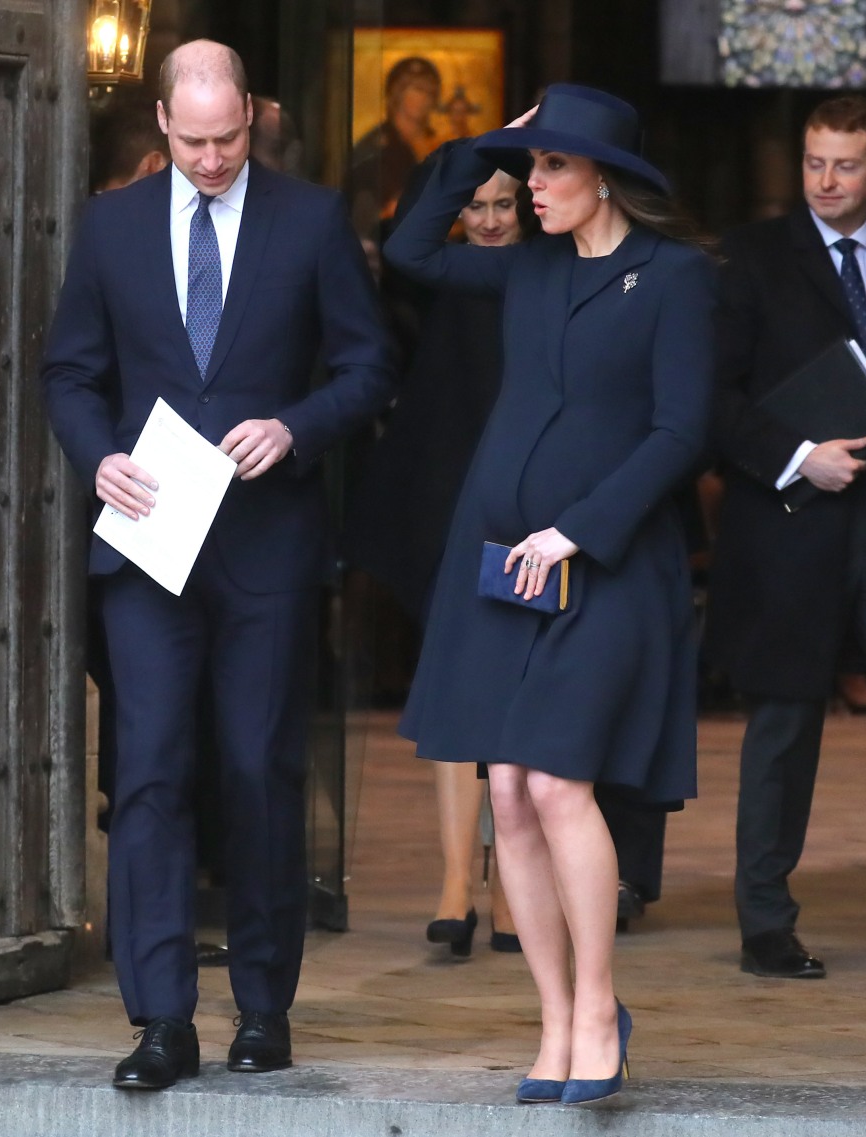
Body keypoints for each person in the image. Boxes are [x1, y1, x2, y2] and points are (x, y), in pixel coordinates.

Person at [40, 39, 394, 1090]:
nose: (210, 158)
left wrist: (295, 427)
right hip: (147, 543)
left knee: (257, 767)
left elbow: (369, 364)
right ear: (162, 121)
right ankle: (160, 1018)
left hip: (265, 545)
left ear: (251, 117)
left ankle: (263, 1005)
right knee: (148, 773)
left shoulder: (310, 219)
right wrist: (97, 456)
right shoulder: (109, 226)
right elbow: (69, 371)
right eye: (193, 140)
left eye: (228, 138)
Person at [384, 84, 716, 1105]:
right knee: (508, 789)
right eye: (531, 165)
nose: (530, 184)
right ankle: (555, 1015)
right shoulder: (525, 265)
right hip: (501, 569)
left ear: (603, 178)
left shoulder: (672, 277)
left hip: (604, 566)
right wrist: (480, 146)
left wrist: (579, 527)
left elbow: (680, 431)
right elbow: (409, 251)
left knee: (558, 782)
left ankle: (598, 1009)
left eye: (551, 165)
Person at [705, 95, 866, 983]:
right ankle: (765, 924)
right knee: (785, 718)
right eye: (815, 162)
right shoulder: (751, 256)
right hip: (795, 511)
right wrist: (798, 457)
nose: (826, 180)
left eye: (845, 165)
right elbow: (713, 396)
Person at [348, 164, 529, 956]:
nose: (487, 220)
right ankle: (456, 881)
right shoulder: (435, 273)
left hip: (525, 502)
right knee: (455, 687)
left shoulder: (550, 272)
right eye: (473, 205)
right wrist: (473, 156)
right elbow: (403, 243)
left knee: (519, 699)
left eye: (503, 204)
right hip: (445, 502)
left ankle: (513, 884)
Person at [348, 56, 442, 237]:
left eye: (430, 91)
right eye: (418, 89)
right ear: (397, 92)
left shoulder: (438, 144)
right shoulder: (375, 148)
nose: (425, 98)